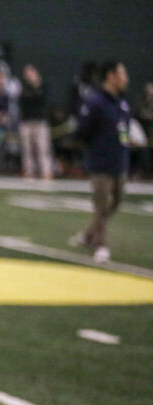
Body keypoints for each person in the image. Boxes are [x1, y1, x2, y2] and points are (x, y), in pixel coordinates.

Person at [70, 61, 131, 263]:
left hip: (119, 161)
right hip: (100, 163)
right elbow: (82, 130)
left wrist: (125, 142)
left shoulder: (122, 103)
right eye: (122, 74)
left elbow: (123, 129)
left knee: (116, 202)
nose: (125, 78)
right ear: (110, 76)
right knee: (102, 204)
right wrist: (94, 148)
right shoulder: (95, 101)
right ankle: (100, 243)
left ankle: (88, 235)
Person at [18, 64, 52, 179]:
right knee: (27, 149)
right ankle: (29, 171)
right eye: (27, 74)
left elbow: (42, 100)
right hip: (26, 122)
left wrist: (36, 86)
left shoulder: (43, 87)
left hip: (40, 122)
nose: (29, 76)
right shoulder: (23, 88)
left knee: (42, 148)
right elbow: (24, 101)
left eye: (31, 73)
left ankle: (46, 171)